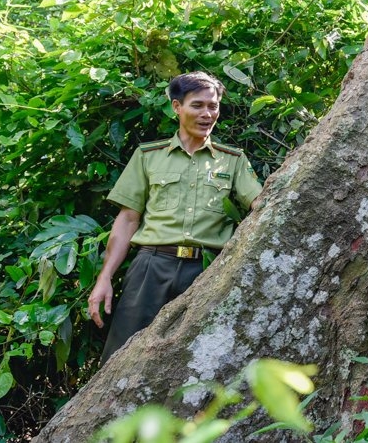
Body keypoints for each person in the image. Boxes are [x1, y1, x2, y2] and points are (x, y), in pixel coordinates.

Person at [87, 72, 262, 362]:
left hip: (207, 271)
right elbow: (128, 219)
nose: (207, 114)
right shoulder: (148, 156)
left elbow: (260, 203)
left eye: (213, 106)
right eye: (198, 106)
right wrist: (104, 278)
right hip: (151, 267)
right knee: (122, 358)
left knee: (198, 361)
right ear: (177, 107)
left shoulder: (232, 159)